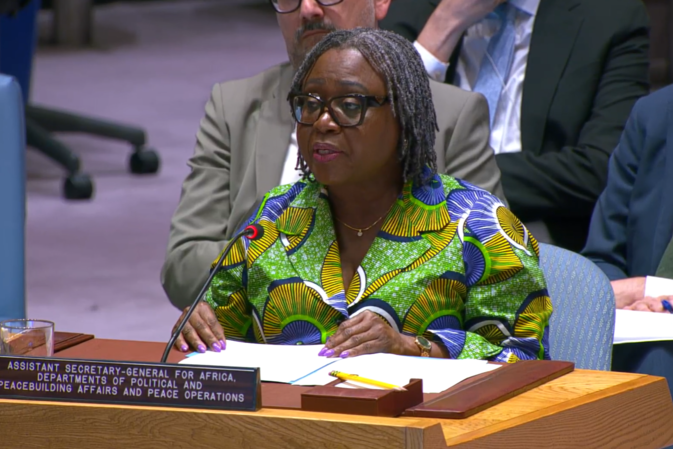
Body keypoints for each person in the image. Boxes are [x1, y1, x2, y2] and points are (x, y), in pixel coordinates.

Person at [172, 29, 552, 363]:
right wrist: (199, 326)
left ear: (404, 115)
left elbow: (524, 358)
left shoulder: (479, 225)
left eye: (350, 106)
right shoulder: (275, 216)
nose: (323, 122)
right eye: (310, 104)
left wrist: (411, 348)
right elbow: (221, 333)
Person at [161, 0, 506, 310]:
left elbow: (492, 271)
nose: (307, 8)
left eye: (351, 107)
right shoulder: (234, 106)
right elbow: (183, 271)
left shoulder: (452, 115)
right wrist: (296, 268)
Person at [380, 0, 650, 252]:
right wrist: (444, 26)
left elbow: (601, 166)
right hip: (410, 219)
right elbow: (379, 141)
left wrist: (461, 179)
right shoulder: (410, 8)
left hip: (536, 229)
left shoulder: (610, 15)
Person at [582, 86, 673, 392]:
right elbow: (603, 255)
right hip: (639, 336)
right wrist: (635, 298)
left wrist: (649, 291)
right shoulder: (656, 113)